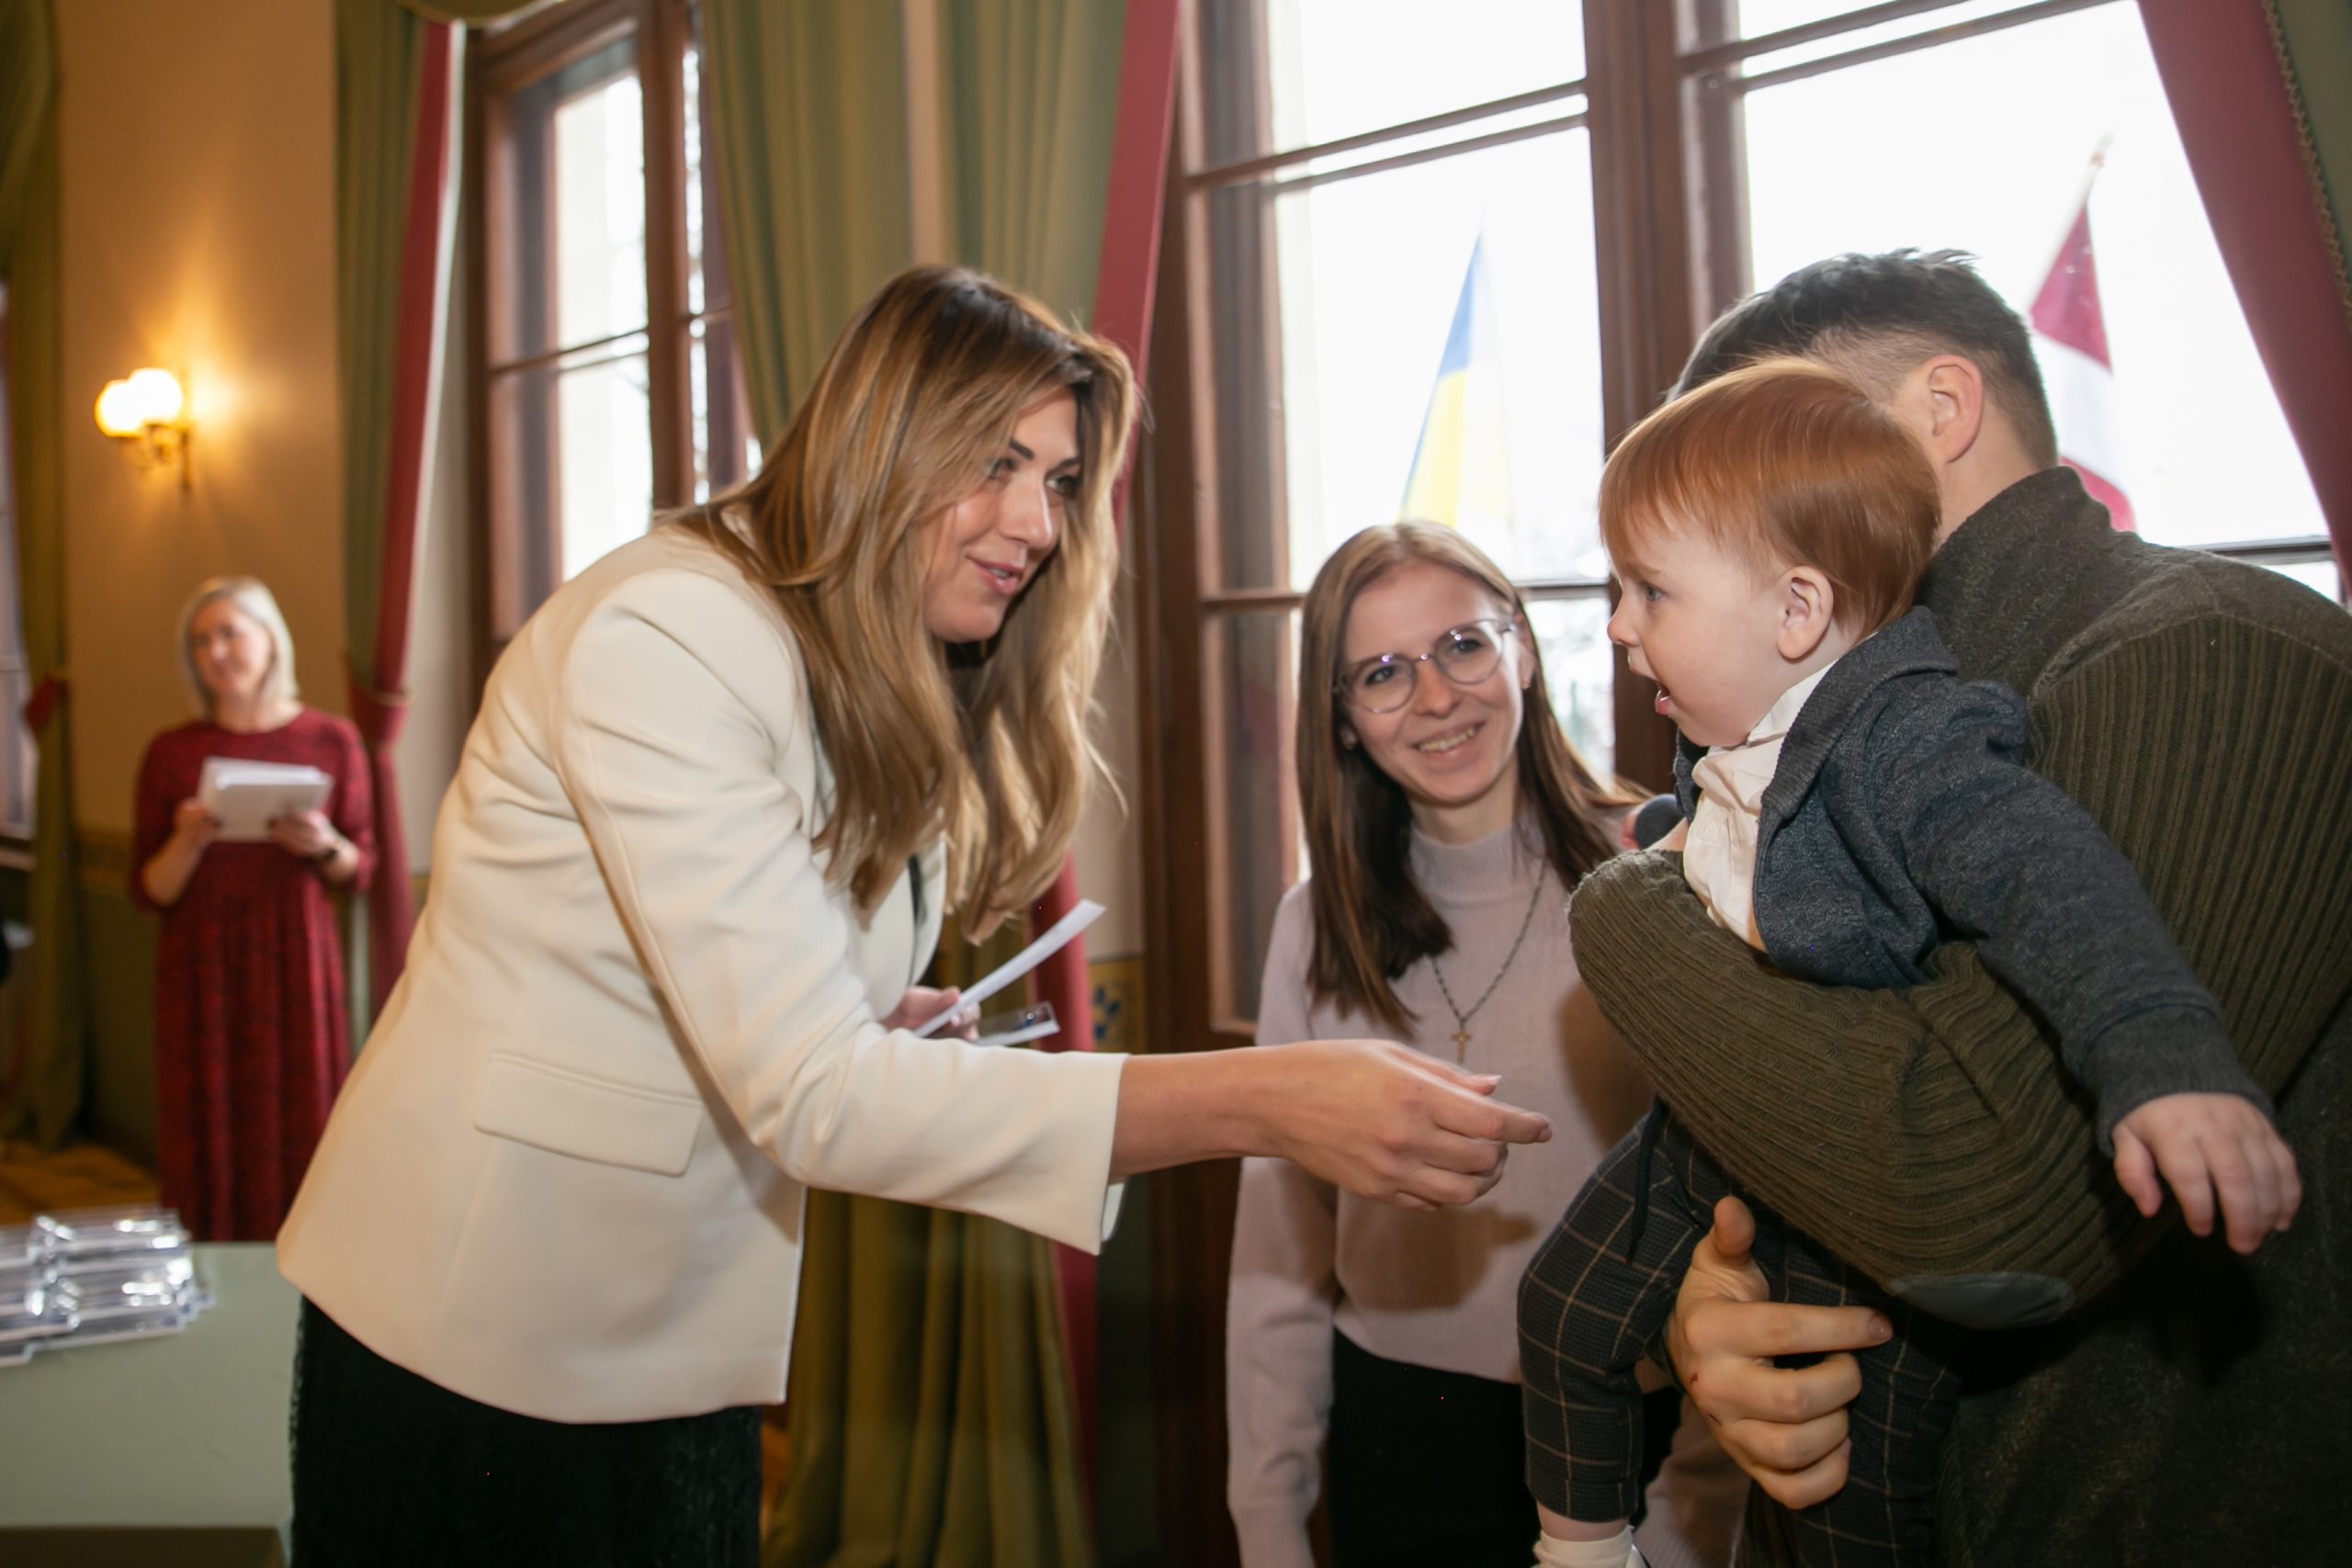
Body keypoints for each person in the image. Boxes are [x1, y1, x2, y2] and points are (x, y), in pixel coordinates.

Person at [275, 267, 1551, 1565]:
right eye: (998, 462)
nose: (1037, 523)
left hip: (670, 1334)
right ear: (881, 438)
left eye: (1060, 480)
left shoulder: (880, 664)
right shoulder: (669, 632)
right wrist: (1267, 1101)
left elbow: (759, 1001)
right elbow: (812, 1092)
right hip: (478, 1325)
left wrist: (865, 1016)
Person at [1562, 251, 2352, 1564]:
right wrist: (1717, 1302)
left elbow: (1991, 1200)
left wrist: (1626, 910)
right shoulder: (1819, 717)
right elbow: (1794, 1110)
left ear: (1939, 409)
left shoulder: (2211, 651)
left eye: (1774, 434)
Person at [1227, 525, 1743, 1568]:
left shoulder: (1666, 872)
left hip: (1630, 1432)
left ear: (1525, 650)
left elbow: (1742, 1224)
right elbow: (1278, 1253)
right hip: (1397, 1441)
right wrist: (1268, 1521)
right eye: (1382, 673)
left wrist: (1692, 1509)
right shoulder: (1313, 927)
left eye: (1463, 645)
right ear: (1341, 719)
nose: (1434, 697)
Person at [130, 577, 374, 1242]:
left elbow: (361, 868)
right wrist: (188, 839)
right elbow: (150, 890)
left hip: (295, 954)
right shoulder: (172, 753)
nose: (215, 651)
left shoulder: (331, 739)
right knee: (205, 1108)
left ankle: (307, 1258)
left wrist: (324, 845)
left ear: (270, 639)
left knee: (304, 1107)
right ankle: (211, 1256)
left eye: (229, 632)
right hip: (201, 960)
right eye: (200, 641)